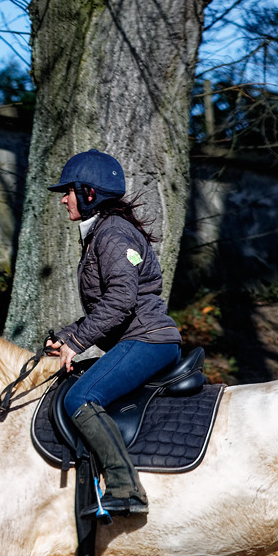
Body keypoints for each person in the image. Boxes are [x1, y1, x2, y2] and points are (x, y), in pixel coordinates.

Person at [44, 149, 182, 516]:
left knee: (80, 398)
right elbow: (111, 305)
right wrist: (67, 334)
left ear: (89, 193)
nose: (63, 198)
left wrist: (77, 340)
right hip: (138, 337)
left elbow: (122, 299)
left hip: (149, 339)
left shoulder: (113, 234)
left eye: (68, 191)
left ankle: (126, 488)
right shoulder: (102, 234)